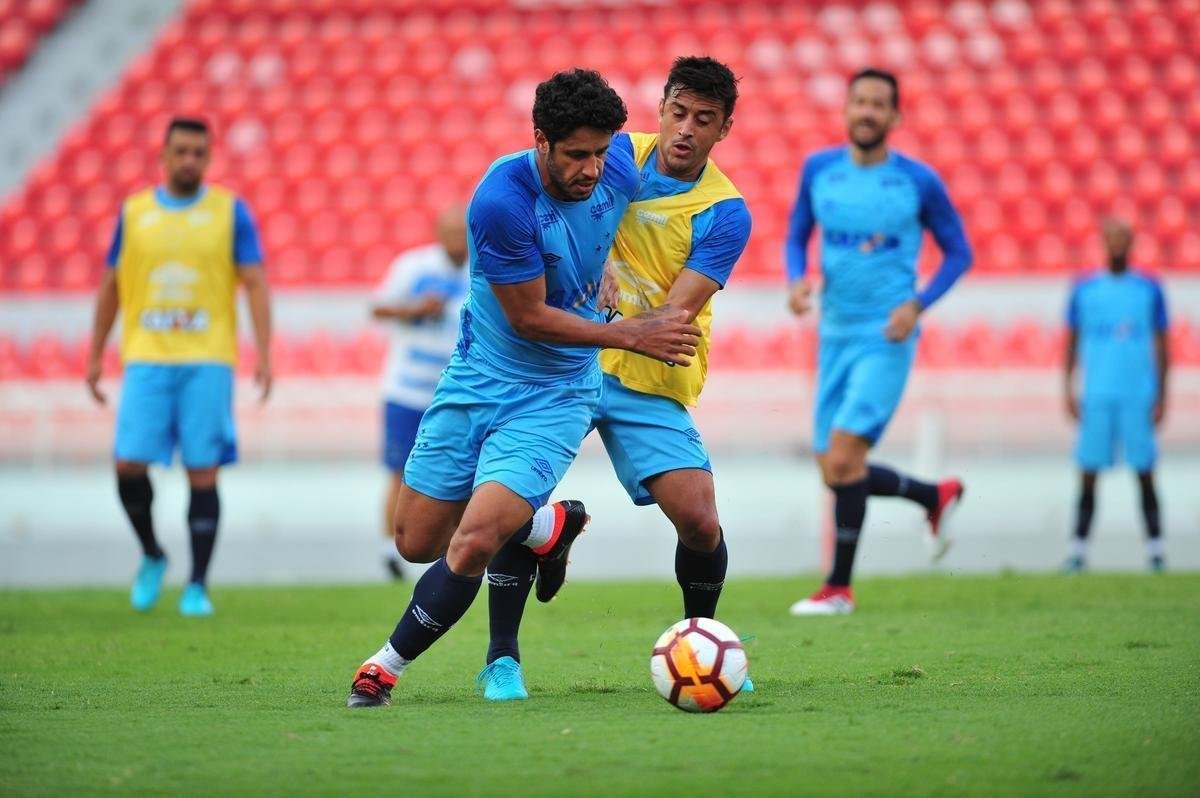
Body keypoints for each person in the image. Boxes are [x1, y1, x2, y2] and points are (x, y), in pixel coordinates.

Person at [345, 69, 703, 708]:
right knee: (415, 541)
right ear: (540, 141)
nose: (593, 168)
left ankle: (384, 667)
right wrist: (631, 335)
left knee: (476, 536)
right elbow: (530, 318)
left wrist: (613, 270)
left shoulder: (616, 166)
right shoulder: (501, 201)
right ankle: (544, 526)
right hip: (480, 377)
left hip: (557, 390)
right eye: (575, 155)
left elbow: (666, 183)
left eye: (600, 151)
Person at [476, 56, 753, 702]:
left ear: (724, 130)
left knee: (700, 518)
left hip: (647, 370)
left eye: (704, 120)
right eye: (679, 112)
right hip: (566, 360)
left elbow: (674, 314)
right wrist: (583, 266)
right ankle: (501, 659)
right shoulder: (615, 155)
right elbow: (558, 212)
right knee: (515, 497)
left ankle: (701, 644)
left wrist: (606, 292)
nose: (686, 129)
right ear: (661, 108)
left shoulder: (725, 212)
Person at [784, 68, 972, 616]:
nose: (867, 111)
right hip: (834, 334)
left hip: (886, 337)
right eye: (859, 102)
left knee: (844, 458)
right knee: (834, 469)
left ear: (895, 117)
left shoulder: (918, 181)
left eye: (878, 104)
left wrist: (918, 304)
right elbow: (797, 233)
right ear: (846, 109)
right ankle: (933, 496)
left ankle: (838, 589)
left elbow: (959, 253)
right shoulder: (819, 170)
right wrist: (797, 277)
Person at [85, 117, 272, 617]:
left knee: (202, 470)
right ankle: (151, 554)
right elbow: (111, 285)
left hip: (207, 358)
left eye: (199, 153)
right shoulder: (135, 212)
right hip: (146, 355)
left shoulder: (230, 212)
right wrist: (95, 352)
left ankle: (197, 585)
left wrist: (265, 353)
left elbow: (255, 282)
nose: (190, 160)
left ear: (208, 159)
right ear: (163, 156)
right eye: (181, 151)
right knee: (127, 464)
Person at [1064, 218, 1169, 573]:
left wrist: (1163, 392)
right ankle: (1077, 550)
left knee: (1144, 471)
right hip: (1097, 393)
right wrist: (1067, 387)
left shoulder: (1149, 289)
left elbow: (1161, 341)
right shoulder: (1084, 289)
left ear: (1132, 242)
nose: (1118, 244)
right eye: (1112, 238)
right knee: (1088, 472)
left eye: (1123, 238)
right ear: (1103, 243)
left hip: (1137, 394)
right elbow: (1072, 339)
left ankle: (1156, 549)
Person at [371, 207, 470, 580]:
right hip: (406, 388)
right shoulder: (412, 266)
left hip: (457, 392)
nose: (458, 240)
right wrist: (414, 309)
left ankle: (456, 546)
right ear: (438, 233)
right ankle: (389, 549)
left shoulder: (483, 268)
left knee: (462, 471)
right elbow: (377, 307)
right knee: (398, 471)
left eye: (463, 233)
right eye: (451, 232)